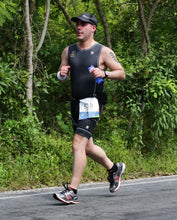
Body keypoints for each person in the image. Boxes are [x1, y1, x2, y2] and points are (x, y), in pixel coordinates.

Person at [53, 13, 126, 204]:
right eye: (77, 24)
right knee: (88, 146)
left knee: (78, 144)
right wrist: (61, 74)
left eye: (83, 24)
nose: (79, 27)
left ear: (92, 28)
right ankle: (114, 169)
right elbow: (63, 74)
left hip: (93, 102)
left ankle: (72, 191)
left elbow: (121, 73)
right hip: (75, 103)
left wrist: (104, 73)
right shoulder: (68, 51)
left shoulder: (103, 51)